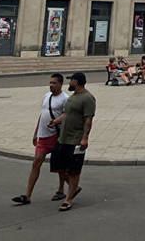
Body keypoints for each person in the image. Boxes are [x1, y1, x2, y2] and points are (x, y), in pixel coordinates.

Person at [11, 73, 69, 205]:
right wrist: (36, 132)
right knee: (36, 162)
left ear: (60, 84)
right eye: (50, 83)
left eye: (54, 83)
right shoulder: (47, 96)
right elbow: (43, 114)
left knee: (60, 166)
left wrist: (55, 123)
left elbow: (67, 116)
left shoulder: (65, 98)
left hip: (56, 135)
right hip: (43, 136)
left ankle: (63, 189)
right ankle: (27, 195)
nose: (51, 85)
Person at [51, 71, 95, 211]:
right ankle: (74, 187)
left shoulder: (88, 98)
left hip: (75, 139)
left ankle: (68, 199)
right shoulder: (72, 97)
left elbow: (88, 119)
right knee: (58, 166)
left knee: (74, 171)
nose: (69, 83)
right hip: (63, 137)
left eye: (71, 81)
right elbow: (66, 114)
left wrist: (85, 138)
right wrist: (55, 121)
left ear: (77, 82)